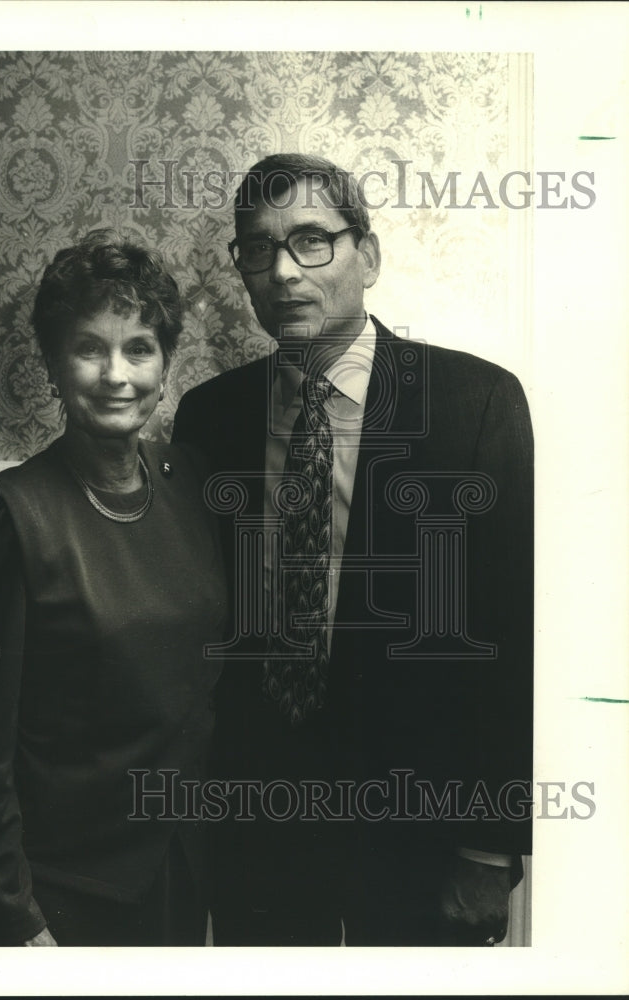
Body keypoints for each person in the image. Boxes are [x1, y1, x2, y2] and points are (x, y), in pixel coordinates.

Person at [172, 153, 533, 946]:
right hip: (258, 823)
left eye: (310, 241)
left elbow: (512, 635)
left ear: (366, 256)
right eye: (257, 249)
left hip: (420, 828)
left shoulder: (474, 403)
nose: (281, 271)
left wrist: (486, 845)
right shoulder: (211, 416)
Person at [0, 230, 226, 946]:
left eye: (138, 347)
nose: (116, 374)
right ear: (51, 361)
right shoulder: (7, 515)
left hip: (183, 868)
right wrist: (15, 915)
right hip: (66, 891)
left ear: (165, 364)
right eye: (88, 347)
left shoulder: (189, 480)